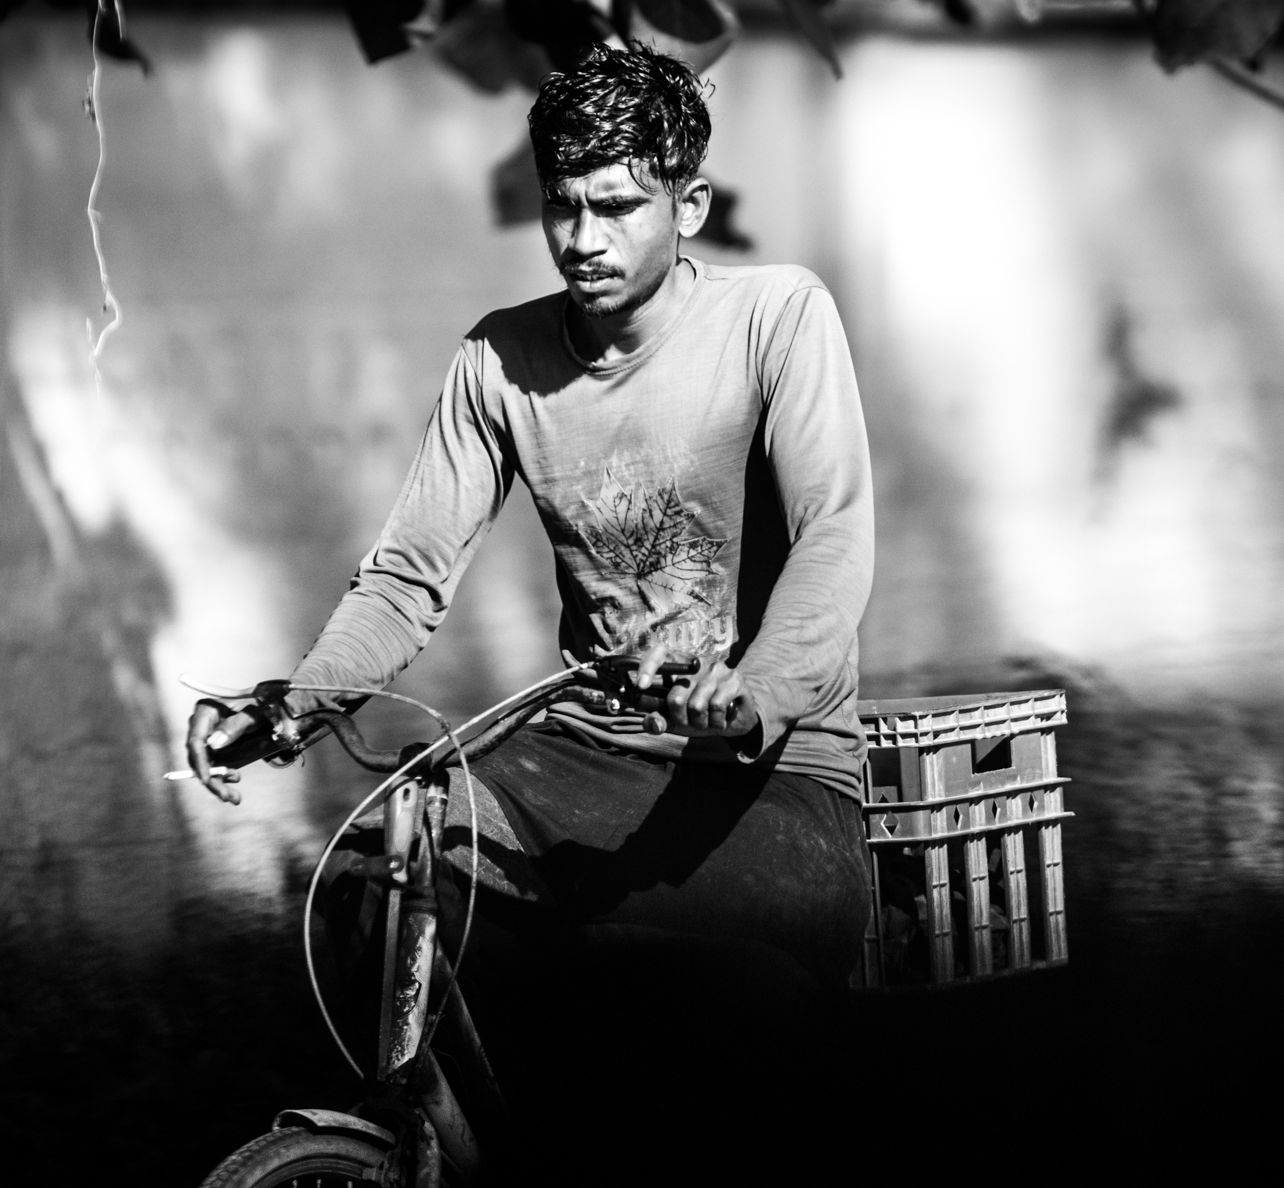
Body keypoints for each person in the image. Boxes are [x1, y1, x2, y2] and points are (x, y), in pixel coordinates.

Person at [186, 41, 875, 1018]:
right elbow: (405, 580)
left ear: (688, 206)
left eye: (617, 207)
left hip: (769, 781)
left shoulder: (779, 317)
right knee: (379, 871)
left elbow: (832, 535)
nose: (583, 238)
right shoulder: (497, 360)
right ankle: (444, 1116)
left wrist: (750, 691)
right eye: (564, 205)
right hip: (581, 759)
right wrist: (292, 707)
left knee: (664, 967)